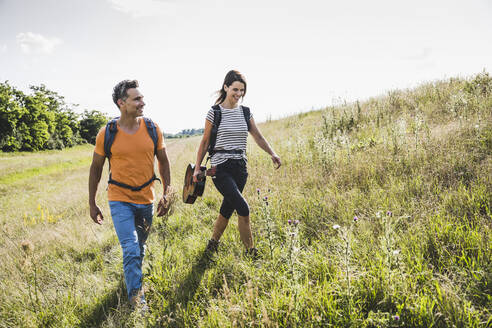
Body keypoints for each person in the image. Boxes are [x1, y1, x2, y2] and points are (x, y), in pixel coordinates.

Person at [88, 79, 171, 309]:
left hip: (147, 200)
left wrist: (167, 193)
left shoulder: (153, 128)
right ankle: (138, 301)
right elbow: (95, 169)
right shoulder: (107, 133)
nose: (143, 102)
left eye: (142, 98)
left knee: (140, 248)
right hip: (119, 200)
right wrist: (92, 203)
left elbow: (163, 162)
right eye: (137, 99)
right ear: (121, 103)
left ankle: (131, 277)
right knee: (132, 249)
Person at [193, 70, 281, 258]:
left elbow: (257, 136)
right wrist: (197, 167)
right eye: (235, 89)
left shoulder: (245, 112)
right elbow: (205, 141)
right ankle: (251, 253)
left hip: (241, 168)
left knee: (228, 208)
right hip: (220, 167)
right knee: (243, 208)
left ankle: (212, 244)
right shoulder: (214, 112)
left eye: (242, 90)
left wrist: (272, 153)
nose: (238, 94)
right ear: (225, 87)